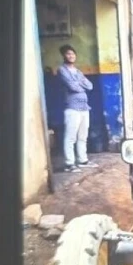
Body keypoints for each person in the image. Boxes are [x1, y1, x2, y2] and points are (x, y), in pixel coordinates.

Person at [57, 44, 99, 172]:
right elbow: (72, 87)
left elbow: (90, 86)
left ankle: (83, 160)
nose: (71, 56)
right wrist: (80, 83)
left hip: (84, 108)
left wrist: (78, 82)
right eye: (68, 54)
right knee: (71, 137)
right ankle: (69, 164)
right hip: (72, 108)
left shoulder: (78, 71)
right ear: (64, 56)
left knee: (82, 136)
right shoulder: (62, 70)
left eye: (73, 54)